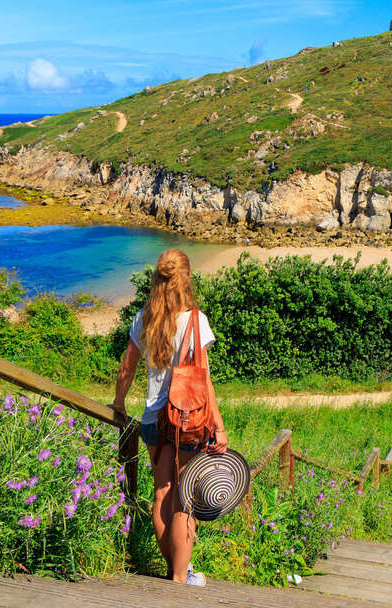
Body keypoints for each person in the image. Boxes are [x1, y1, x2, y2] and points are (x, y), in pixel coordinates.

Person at [111, 248, 227, 586]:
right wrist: (218, 426)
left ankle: (177, 569)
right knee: (184, 497)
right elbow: (203, 379)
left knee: (161, 494)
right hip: (188, 419)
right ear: (186, 278)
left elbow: (127, 368)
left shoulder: (143, 317)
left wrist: (119, 403)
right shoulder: (195, 320)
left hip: (151, 419)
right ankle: (180, 576)